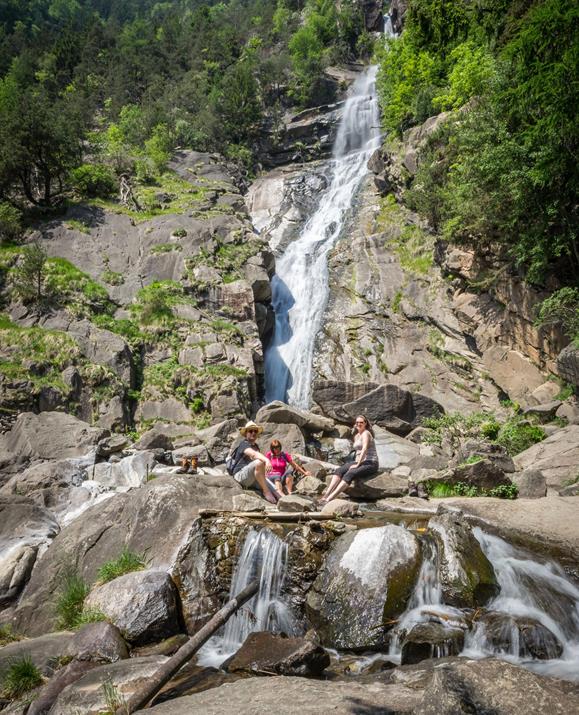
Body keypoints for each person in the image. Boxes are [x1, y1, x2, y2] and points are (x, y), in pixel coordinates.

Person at [320, 414, 379, 504]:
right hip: (360, 461)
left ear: (365, 423)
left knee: (350, 473)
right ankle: (326, 495)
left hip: (371, 463)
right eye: (357, 422)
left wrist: (358, 464)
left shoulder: (366, 433)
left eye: (361, 422)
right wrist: (355, 463)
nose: (359, 424)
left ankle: (330, 498)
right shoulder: (356, 435)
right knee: (339, 470)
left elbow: (364, 449)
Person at [230, 421, 277, 504]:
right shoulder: (243, 444)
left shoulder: (256, 446)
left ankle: (285, 501)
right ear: (246, 434)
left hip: (252, 477)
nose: (253, 433)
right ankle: (266, 492)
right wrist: (267, 460)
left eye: (255, 431)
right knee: (259, 462)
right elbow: (254, 454)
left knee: (275, 489)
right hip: (240, 476)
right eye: (250, 431)